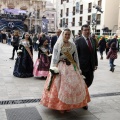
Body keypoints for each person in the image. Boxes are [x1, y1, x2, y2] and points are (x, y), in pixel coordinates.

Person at [40, 29, 90, 113]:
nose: (67, 36)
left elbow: (75, 57)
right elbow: (55, 58)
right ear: (63, 34)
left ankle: (68, 105)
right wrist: (52, 68)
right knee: (59, 86)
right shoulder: (58, 45)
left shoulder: (72, 45)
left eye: (68, 34)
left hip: (71, 66)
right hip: (60, 66)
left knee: (71, 86)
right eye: (66, 34)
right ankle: (60, 106)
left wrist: (77, 67)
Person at [75, 24, 98, 88]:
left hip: (91, 66)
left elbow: (94, 53)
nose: (87, 31)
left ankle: (85, 93)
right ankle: (83, 95)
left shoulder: (92, 40)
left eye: (88, 30)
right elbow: (76, 55)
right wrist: (76, 67)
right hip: (82, 67)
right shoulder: (78, 41)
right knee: (83, 83)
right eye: (85, 30)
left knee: (90, 80)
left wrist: (96, 64)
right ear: (82, 31)